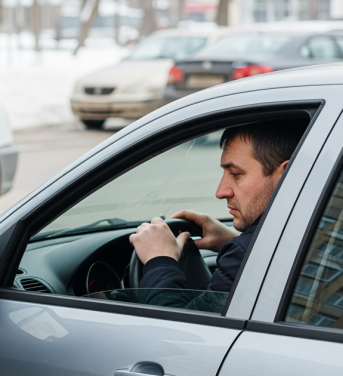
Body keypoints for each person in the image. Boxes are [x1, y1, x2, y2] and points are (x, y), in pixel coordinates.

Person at [129, 120, 308, 301]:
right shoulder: (314, 228)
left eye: (236, 174)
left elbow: (176, 327)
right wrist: (232, 241)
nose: (220, 192)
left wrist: (159, 261)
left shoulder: (241, 255)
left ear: (287, 175)